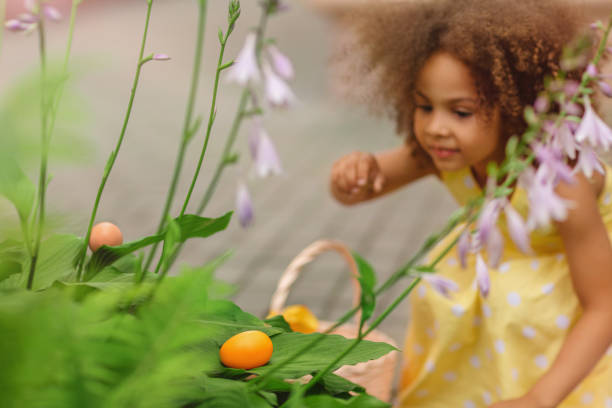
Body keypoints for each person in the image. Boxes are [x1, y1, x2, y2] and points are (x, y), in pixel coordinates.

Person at [328, 0, 612, 406]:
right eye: (424, 106)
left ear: (518, 108)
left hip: (571, 308)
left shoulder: (564, 180)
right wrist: (352, 173)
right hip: (494, 283)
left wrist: (538, 399)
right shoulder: (441, 151)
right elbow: (362, 188)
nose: (435, 128)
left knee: (516, 305)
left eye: (461, 112)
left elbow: (604, 307)